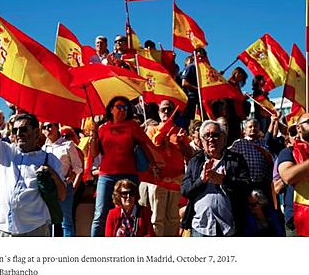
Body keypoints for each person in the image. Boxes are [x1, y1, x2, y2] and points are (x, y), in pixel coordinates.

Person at [0, 85, 66, 237]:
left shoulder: (49, 159)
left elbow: (61, 195)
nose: (18, 134)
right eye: (15, 131)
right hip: (1, 228)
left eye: (23, 129)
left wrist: (52, 173)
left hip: (34, 230)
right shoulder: (6, 151)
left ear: (36, 132)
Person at [89, 96, 158, 237]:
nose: (123, 110)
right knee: (100, 214)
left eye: (126, 108)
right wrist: (94, 134)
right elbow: (94, 153)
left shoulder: (132, 126)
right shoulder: (102, 128)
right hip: (106, 175)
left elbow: (146, 146)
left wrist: (154, 165)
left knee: (129, 211)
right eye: (119, 107)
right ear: (111, 109)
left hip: (129, 174)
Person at [181, 120, 250, 237]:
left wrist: (224, 181)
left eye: (215, 135)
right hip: (201, 228)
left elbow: (246, 188)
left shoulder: (236, 160)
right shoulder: (195, 161)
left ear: (223, 138)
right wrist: (201, 180)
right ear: (202, 141)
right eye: (207, 136)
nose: (211, 139)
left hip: (229, 227)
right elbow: (185, 190)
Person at [144, 100, 193, 236]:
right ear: (159, 112)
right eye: (163, 109)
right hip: (158, 180)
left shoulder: (179, 131)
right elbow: (151, 147)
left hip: (176, 180)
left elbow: (189, 153)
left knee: (173, 219)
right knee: (157, 219)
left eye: (169, 109)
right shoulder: (151, 129)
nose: (166, 112)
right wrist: (163, 130)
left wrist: (180, 144)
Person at [42, 122, 83, 237]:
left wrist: (70, 179)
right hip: (48, 187)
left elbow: (78, 167)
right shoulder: (43, 148)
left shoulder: (68, 144)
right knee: (47, 221)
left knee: (66, 222)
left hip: (64, 186)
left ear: (56, 127)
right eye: (44, 127)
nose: (47, 129)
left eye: (50, 126)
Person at [229, 117, 277, 200]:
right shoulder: (239, 144)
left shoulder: (264, 142)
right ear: (244, 130)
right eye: (250, 127)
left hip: (262, 184)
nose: (253, 128)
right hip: (246, 184)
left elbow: (272, 161)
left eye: (255, 126)